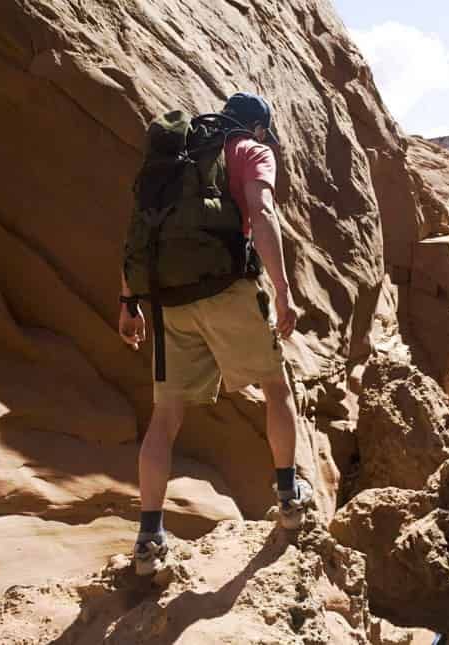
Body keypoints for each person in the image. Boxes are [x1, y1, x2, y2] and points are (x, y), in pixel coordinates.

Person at [118, 92, 312, 576]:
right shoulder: (249, 149)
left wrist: (128, 302)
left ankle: (148, 540)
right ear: (259, 127)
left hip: (169, 301)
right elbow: (262, 213)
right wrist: (284, 291)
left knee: (165, 417)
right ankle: (288, 497)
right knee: (275, 387)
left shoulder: (178, 157)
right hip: (228, 289)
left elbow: (140, 234)